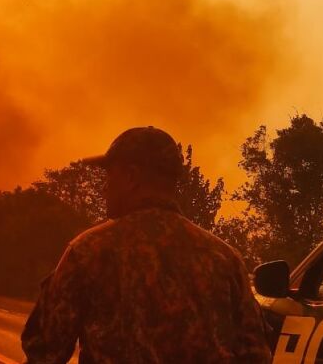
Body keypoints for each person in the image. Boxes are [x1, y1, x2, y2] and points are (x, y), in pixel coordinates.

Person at [21, 126, 272, 363]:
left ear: (132, 176)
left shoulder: (88, 251)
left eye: (110, 176)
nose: (105, 188)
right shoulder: (224, 259)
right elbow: (256, 354)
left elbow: (45, 353)